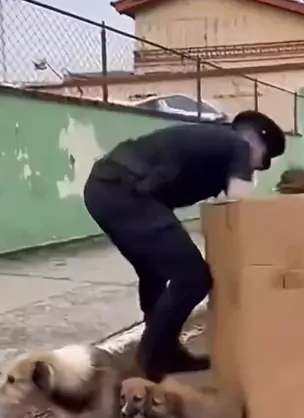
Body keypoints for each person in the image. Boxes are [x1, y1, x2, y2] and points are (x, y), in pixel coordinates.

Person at [83, 110, 286, 380]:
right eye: (264, 158)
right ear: (256, 140)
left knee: (154, 272)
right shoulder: (238, 145)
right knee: (193, 278)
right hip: (122, 191)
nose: (259, 167)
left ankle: (166, 353)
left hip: (105, 189)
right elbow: (239, 208)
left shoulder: (211, 143)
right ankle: (148, 361)